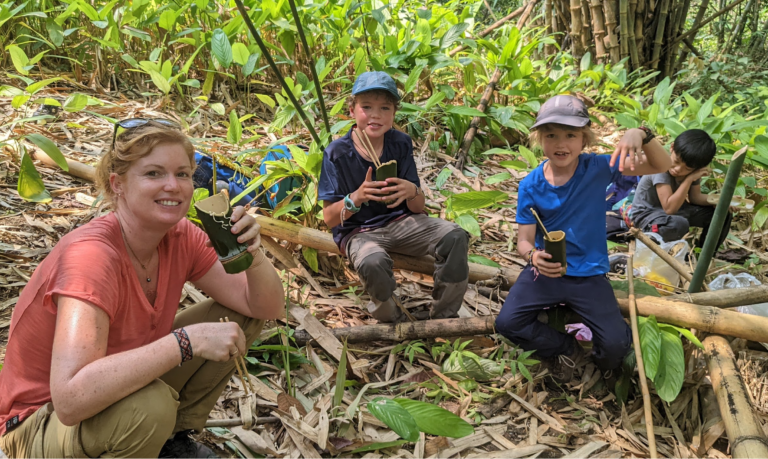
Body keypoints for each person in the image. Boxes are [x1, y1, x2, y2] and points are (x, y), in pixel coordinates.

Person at [0, 120, 285, 459]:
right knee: (150, 408)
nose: (173, 186)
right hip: (37, 427)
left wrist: (253, 257)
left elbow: (265, 307)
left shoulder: (181, 236)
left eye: (182, 174)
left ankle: (166, 440)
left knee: (235, 317)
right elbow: (70, 401)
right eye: (153, 174)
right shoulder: (92, 256)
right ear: (117, 184)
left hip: (111, 398)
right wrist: (186, 342)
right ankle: (143, 433)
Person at [495, 95, 672, 385]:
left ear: (584, 139)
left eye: (570, 135)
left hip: (589, 274)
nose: (561, 144)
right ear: (539, 139)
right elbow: (524, 240)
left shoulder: (598, 167)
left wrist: (640, 133)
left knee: (616, 345)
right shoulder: (530, 184)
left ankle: (599, 366)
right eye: (551, 135)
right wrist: (532, 258)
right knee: (507, 323)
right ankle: (566, 348)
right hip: (547, 271)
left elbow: (660, 165)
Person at [318, 71, 469, 323]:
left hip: (404, 224)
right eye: (366, 107)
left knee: (455, 236)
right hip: (360, 232)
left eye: (384, 108)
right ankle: (391, 319)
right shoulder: (337, 154)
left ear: (393, 113)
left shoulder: (400, 143)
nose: (375, 115)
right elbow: (329, 219)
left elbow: (418, 206)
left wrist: (412, 191)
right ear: (352, 110)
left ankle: (444, 317)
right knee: (373, 261)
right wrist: (355, 198)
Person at [629, 129, 732, 249]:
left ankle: (705, 254)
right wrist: (689, 179)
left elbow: (695, 198)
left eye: (687, 169)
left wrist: (722, 201)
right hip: (647, 216)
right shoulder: (661, 168)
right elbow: (669, 208)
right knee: (677, 224)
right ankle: (660, 248)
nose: (678, 169)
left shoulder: (693, 169)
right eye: (676, 161)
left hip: (676, 211)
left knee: (721, 214)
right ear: (672, 148)